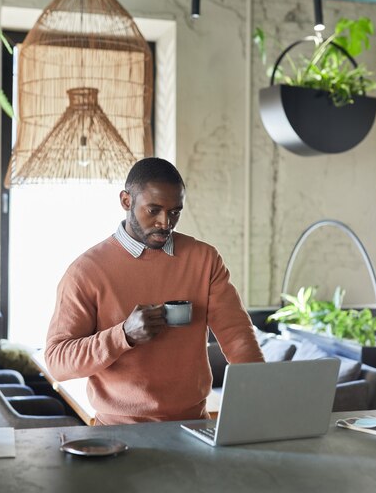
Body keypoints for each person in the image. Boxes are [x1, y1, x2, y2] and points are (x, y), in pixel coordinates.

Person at [45, 157, 264, 425]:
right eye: (154, 210)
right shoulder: (85, 272)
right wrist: (123, 335)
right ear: (126, 201)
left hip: (193, 427)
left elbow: (237, 337)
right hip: (118, 433)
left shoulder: (205, 259)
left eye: (175, 211)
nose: (165, 222)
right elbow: (57, 361)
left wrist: (261, 406)